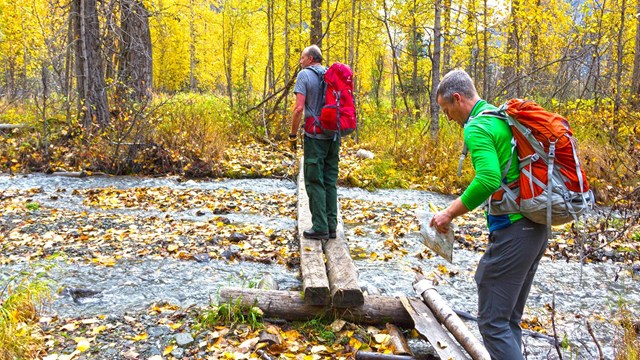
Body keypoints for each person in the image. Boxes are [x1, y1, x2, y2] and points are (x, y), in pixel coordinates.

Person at [430, 69, 548, 359]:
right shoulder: (499, 117)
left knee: (493, 324)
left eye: (446, 110)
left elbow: (488, 180)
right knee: (507, 321)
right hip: (536, 228)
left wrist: (449, 213)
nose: (448, 118)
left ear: (457, 99)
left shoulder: (477, 127)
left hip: (514, 231)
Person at [289, 45, 339, 240]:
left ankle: (319, 227)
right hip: (333, 136)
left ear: (310, 59)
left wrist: (292, 135)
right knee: (330, 181)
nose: (300, 61)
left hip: (315, 137)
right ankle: (331, 226)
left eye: (302, 58)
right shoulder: (330, 74)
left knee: (314, 180)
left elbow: (298, 108)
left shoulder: (304, 75)